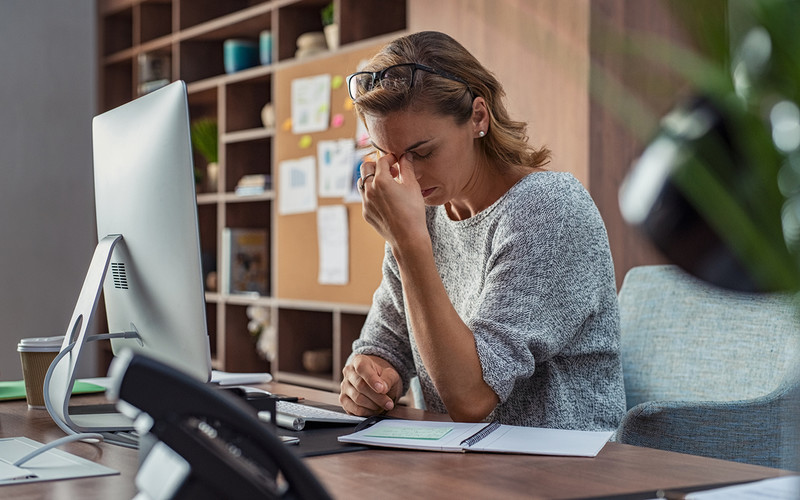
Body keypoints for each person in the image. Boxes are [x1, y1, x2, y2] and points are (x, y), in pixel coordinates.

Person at [339, 31, 625, 431]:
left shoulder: (548, 209)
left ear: (478, 117)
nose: (407, 175)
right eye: (390, 157)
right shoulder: (425, 215)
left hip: (563, 472)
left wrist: (408, 243)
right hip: (462, 465)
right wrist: (369, 377)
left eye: (423, 152)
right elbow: (386, 344)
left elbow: (472, 397)